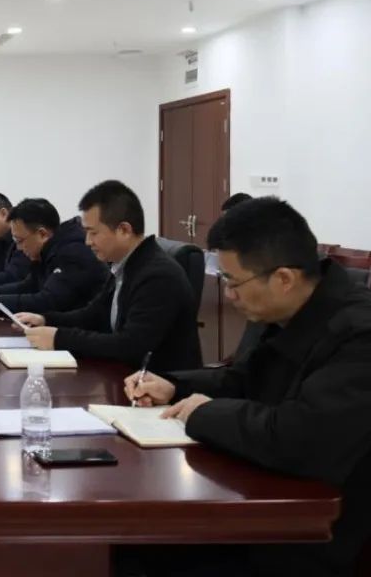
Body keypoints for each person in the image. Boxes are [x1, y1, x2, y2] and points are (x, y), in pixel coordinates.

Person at [123, 197, 371, 577]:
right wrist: (174, 385)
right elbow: (244, 377)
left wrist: (203, 413)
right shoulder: (286, 309)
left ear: (284, 279)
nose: (228, 294)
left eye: (233, 281)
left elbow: (298, 438)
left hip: (312, 534)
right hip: (264, 497)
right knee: (131, 545)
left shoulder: (360, 334)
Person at [15, 180, 201, 371]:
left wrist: (58, 338)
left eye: (93, 233)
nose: (87, 242)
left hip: (159, 384)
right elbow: (93, 315)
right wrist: (46, 320)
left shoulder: (158, 276)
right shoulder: (124, 265)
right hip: (125, 376)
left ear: (124, 230)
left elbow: (130, 345)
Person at [0, 198, 107, 315]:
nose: (18, 248)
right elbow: (29, 286)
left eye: (20, 241)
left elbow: (49, 300)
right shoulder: (45, 250)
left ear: (42, 234)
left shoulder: (73, 251)